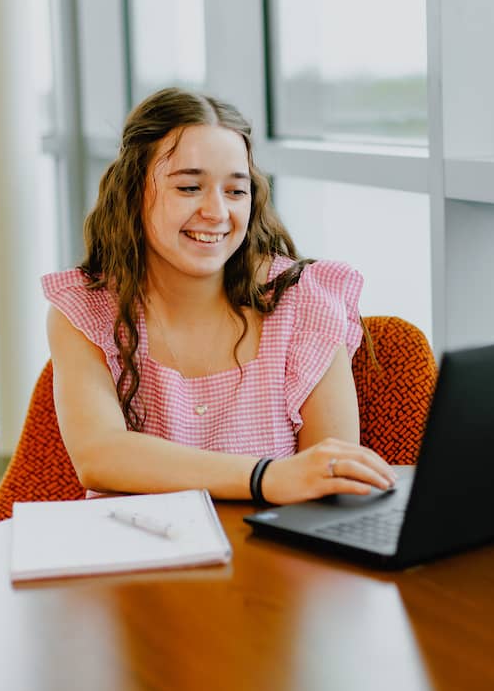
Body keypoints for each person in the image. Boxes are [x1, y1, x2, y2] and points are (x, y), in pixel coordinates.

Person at [44, 87, 396, 505]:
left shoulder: (305, 301)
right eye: (190, 187)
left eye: (235, 191)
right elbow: (100, 456)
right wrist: (268, 477)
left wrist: (292, 479)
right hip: (138, 563)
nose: (216, 212)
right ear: (134, 191)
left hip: (276, 563)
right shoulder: (85, 310)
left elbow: (331, 479)